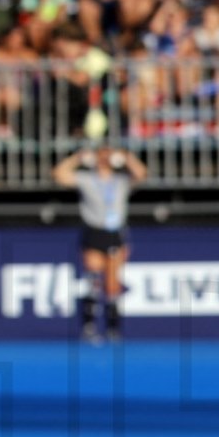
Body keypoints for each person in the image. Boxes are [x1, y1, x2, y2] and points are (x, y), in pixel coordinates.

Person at [53, 144, 148, 343]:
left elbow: (141, 174)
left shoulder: (121, 181)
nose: (104, 159)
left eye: (107, 155)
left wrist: (127, 157)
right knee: (93, 280)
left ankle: (113, 328)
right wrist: (78, 158)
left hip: (115, 233)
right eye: (100, 156)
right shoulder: (86, 179)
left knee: (112, 284)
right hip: (94, 232)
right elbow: (59, 174)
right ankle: (89, 327)